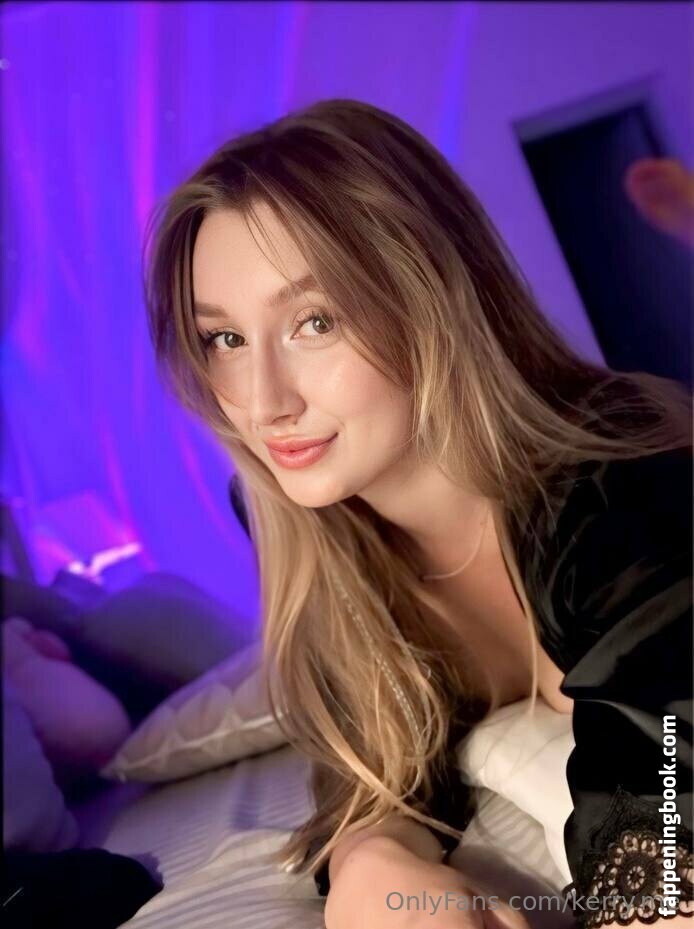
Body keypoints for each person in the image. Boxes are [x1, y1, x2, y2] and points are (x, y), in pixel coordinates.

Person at [142, 99, 693, 928]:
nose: (262, 402)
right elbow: (376, 749)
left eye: (314, 321)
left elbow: (662, 821)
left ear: (427, 298)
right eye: (225, 340)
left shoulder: (620, 478)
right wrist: (370, 859)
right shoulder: (296, 516)